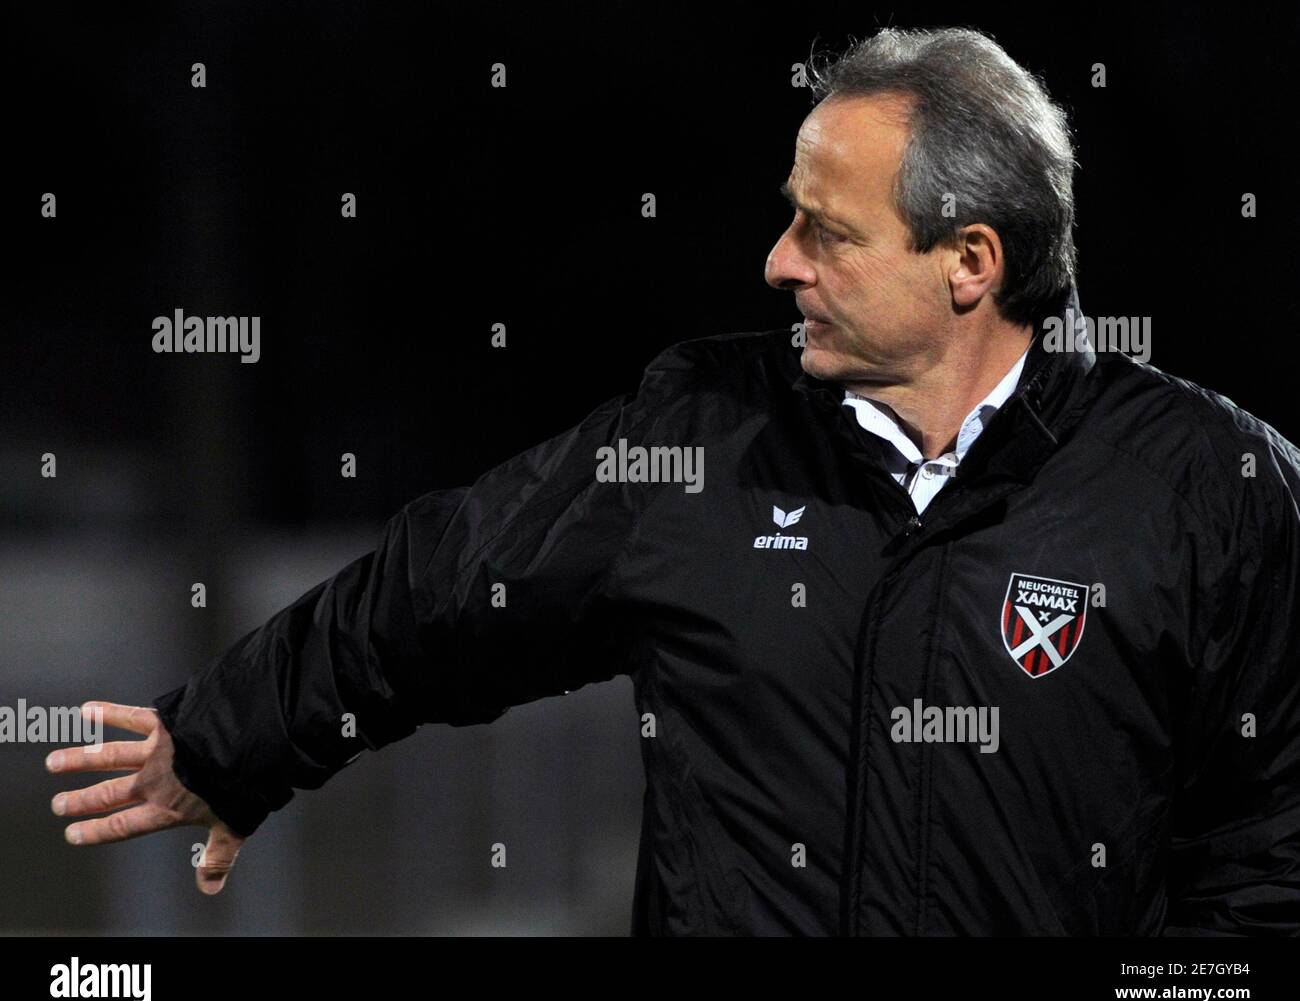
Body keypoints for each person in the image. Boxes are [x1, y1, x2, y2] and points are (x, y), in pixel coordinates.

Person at [46, 26, 1300, 935]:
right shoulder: (701, 432)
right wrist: (231, 738)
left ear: (968, 260)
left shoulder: (1217, 488)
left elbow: (1267, 849)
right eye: (787, 215)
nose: (777, 262)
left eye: (828, 231)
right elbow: (448, 586)